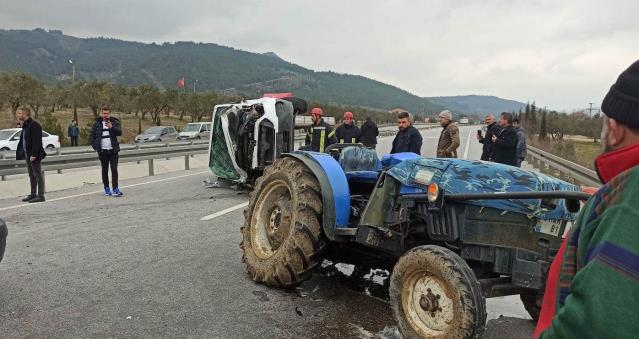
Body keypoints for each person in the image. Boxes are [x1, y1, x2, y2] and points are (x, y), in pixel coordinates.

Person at [534, 60, 639, 339]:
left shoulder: (632, 197)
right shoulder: (623, 196)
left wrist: (618, 204)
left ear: (615, 128)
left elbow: (597, 324)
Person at [15, 107, 46, 203]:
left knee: (37, 174)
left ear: (25, 114)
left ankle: (40, 195)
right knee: (31, 175)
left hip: (34, 155)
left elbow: (37, 141)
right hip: (27, 154)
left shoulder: (34, 125)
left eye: (20, 113)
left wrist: (34, 154)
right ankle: (33, 194)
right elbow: (23, 140)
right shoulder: (25, 125)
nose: (18, 115)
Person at [90, 107, 123, 196]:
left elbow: (119, 132)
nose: (105, 115)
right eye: (104, 113)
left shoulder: (115, 122)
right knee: (105, 170)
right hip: (103, 151)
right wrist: (96, 147)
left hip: (113, 151)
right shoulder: (97, 124)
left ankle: (115, 188)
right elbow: (92, 136)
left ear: (110, 114)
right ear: (101, 113)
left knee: (114, 169)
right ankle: (107, 188)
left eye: (107, 113)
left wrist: (112, 127)